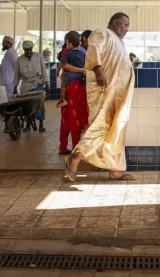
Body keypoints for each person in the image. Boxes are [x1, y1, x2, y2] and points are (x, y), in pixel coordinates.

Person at [64, 12, 135, 181]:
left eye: (127, 26)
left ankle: (116, 169)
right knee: (100, 126)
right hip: (105, 91)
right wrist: (98, 71)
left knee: (116, 129)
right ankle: (76, 157)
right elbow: (94, 49)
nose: (126, 29)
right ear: (115, 22)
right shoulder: (102, 32)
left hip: (118, 94)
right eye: (124, 25)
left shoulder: (118, 41)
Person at [58, 32, 89, 155]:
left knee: (68, 117)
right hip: (75, 87)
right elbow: (65, 66)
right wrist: (82, 70)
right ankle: (75, 147)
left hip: (72, 87)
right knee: (75, 116)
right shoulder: (75, 52)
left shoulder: (77, 51)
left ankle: (64, 146)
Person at [13, 41, 49, 132]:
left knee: (40, 104)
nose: (28, 52)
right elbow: (16, 74)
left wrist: (46, 83)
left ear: (32, 49)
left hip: (38, 82)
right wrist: (15, 87)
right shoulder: (19, 59)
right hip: (26, 84)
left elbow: (43, 70)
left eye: (29, 49)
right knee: (26, 106)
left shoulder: (38, 56)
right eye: (26, 50)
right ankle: (28, 125)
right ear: (23, 49)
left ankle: (41, 124)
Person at [56, 32, 86, 108]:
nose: (66, 45)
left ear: (71, 44)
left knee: (63, 84)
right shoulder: (83, 52)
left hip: (70, 76)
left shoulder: (67, 53)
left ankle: (62, 100)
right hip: (81, 77)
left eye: (67, 44)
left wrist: (57, 71)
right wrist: (83, 70)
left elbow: (63, 65)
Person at [0, 36, 18, 101]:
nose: (2, 44)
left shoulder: (11, 52)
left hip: (11, 80)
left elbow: (16, 66)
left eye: (4, 42)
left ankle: (13, 110)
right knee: (10, 96)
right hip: (9, 79)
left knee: (12, 97)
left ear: (9, 43)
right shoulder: (9, 52)